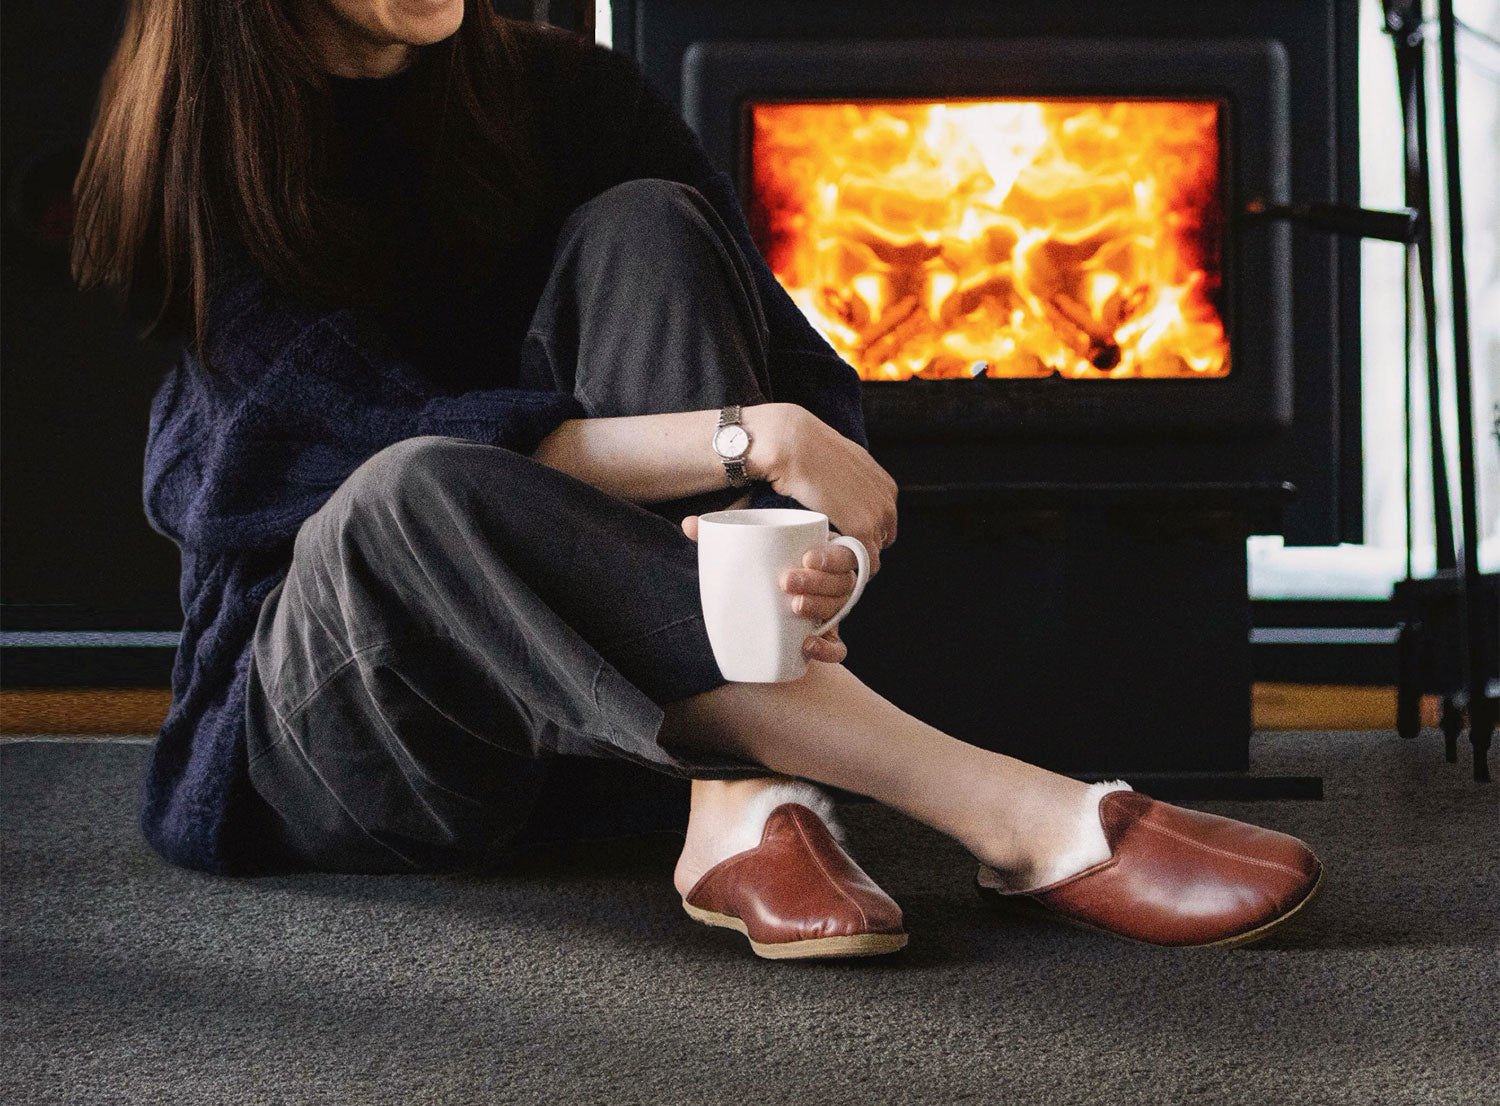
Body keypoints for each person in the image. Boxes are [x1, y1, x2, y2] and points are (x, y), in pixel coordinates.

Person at [71, 0, 1323, 959]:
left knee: (652, 224)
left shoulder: (561, 91)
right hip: (342, 724)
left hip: (571, 739)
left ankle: (743, 798)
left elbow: (783, 359)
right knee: (409, 486)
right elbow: (342, 451)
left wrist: (800, 539)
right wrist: (744, 442)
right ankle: (1018, 814)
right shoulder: (204, 156)